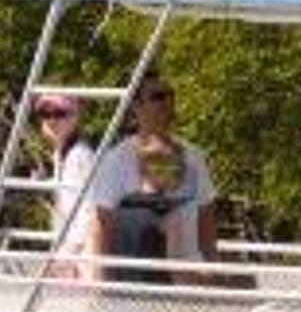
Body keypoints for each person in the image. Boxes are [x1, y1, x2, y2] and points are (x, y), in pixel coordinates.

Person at [81, 72, 214, 267]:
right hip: (137, 279)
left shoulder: (194, 156)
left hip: (186, 277)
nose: (168, 101)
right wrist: (99, 288)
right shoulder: (115, 161)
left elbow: (206, 218)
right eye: (158, 96)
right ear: (136, 106)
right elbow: (100, 226)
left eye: (171, 94)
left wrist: (214, 268)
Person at [27, 92, 96, 250]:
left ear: (75, 118)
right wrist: (44, 184)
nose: (51, 120)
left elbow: (91, 206)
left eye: (59, 113)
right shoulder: (60, 154)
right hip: (65, 243)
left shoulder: (80, 155)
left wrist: (75, 247)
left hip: (80, 247)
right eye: (45, 114)